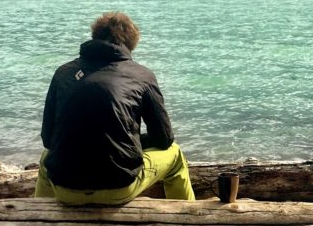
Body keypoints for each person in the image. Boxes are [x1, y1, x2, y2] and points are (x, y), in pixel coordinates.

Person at [34, 12, 195, 204]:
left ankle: (41, 215)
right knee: (175, 155)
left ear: (95, 36)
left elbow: (48, 139)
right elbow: (164, 139)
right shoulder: (142, 75)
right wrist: (132, 140)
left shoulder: (63, 73)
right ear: (131, 44)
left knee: (47, 158)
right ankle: (190, 216)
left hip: (65, 190)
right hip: (118, 188)